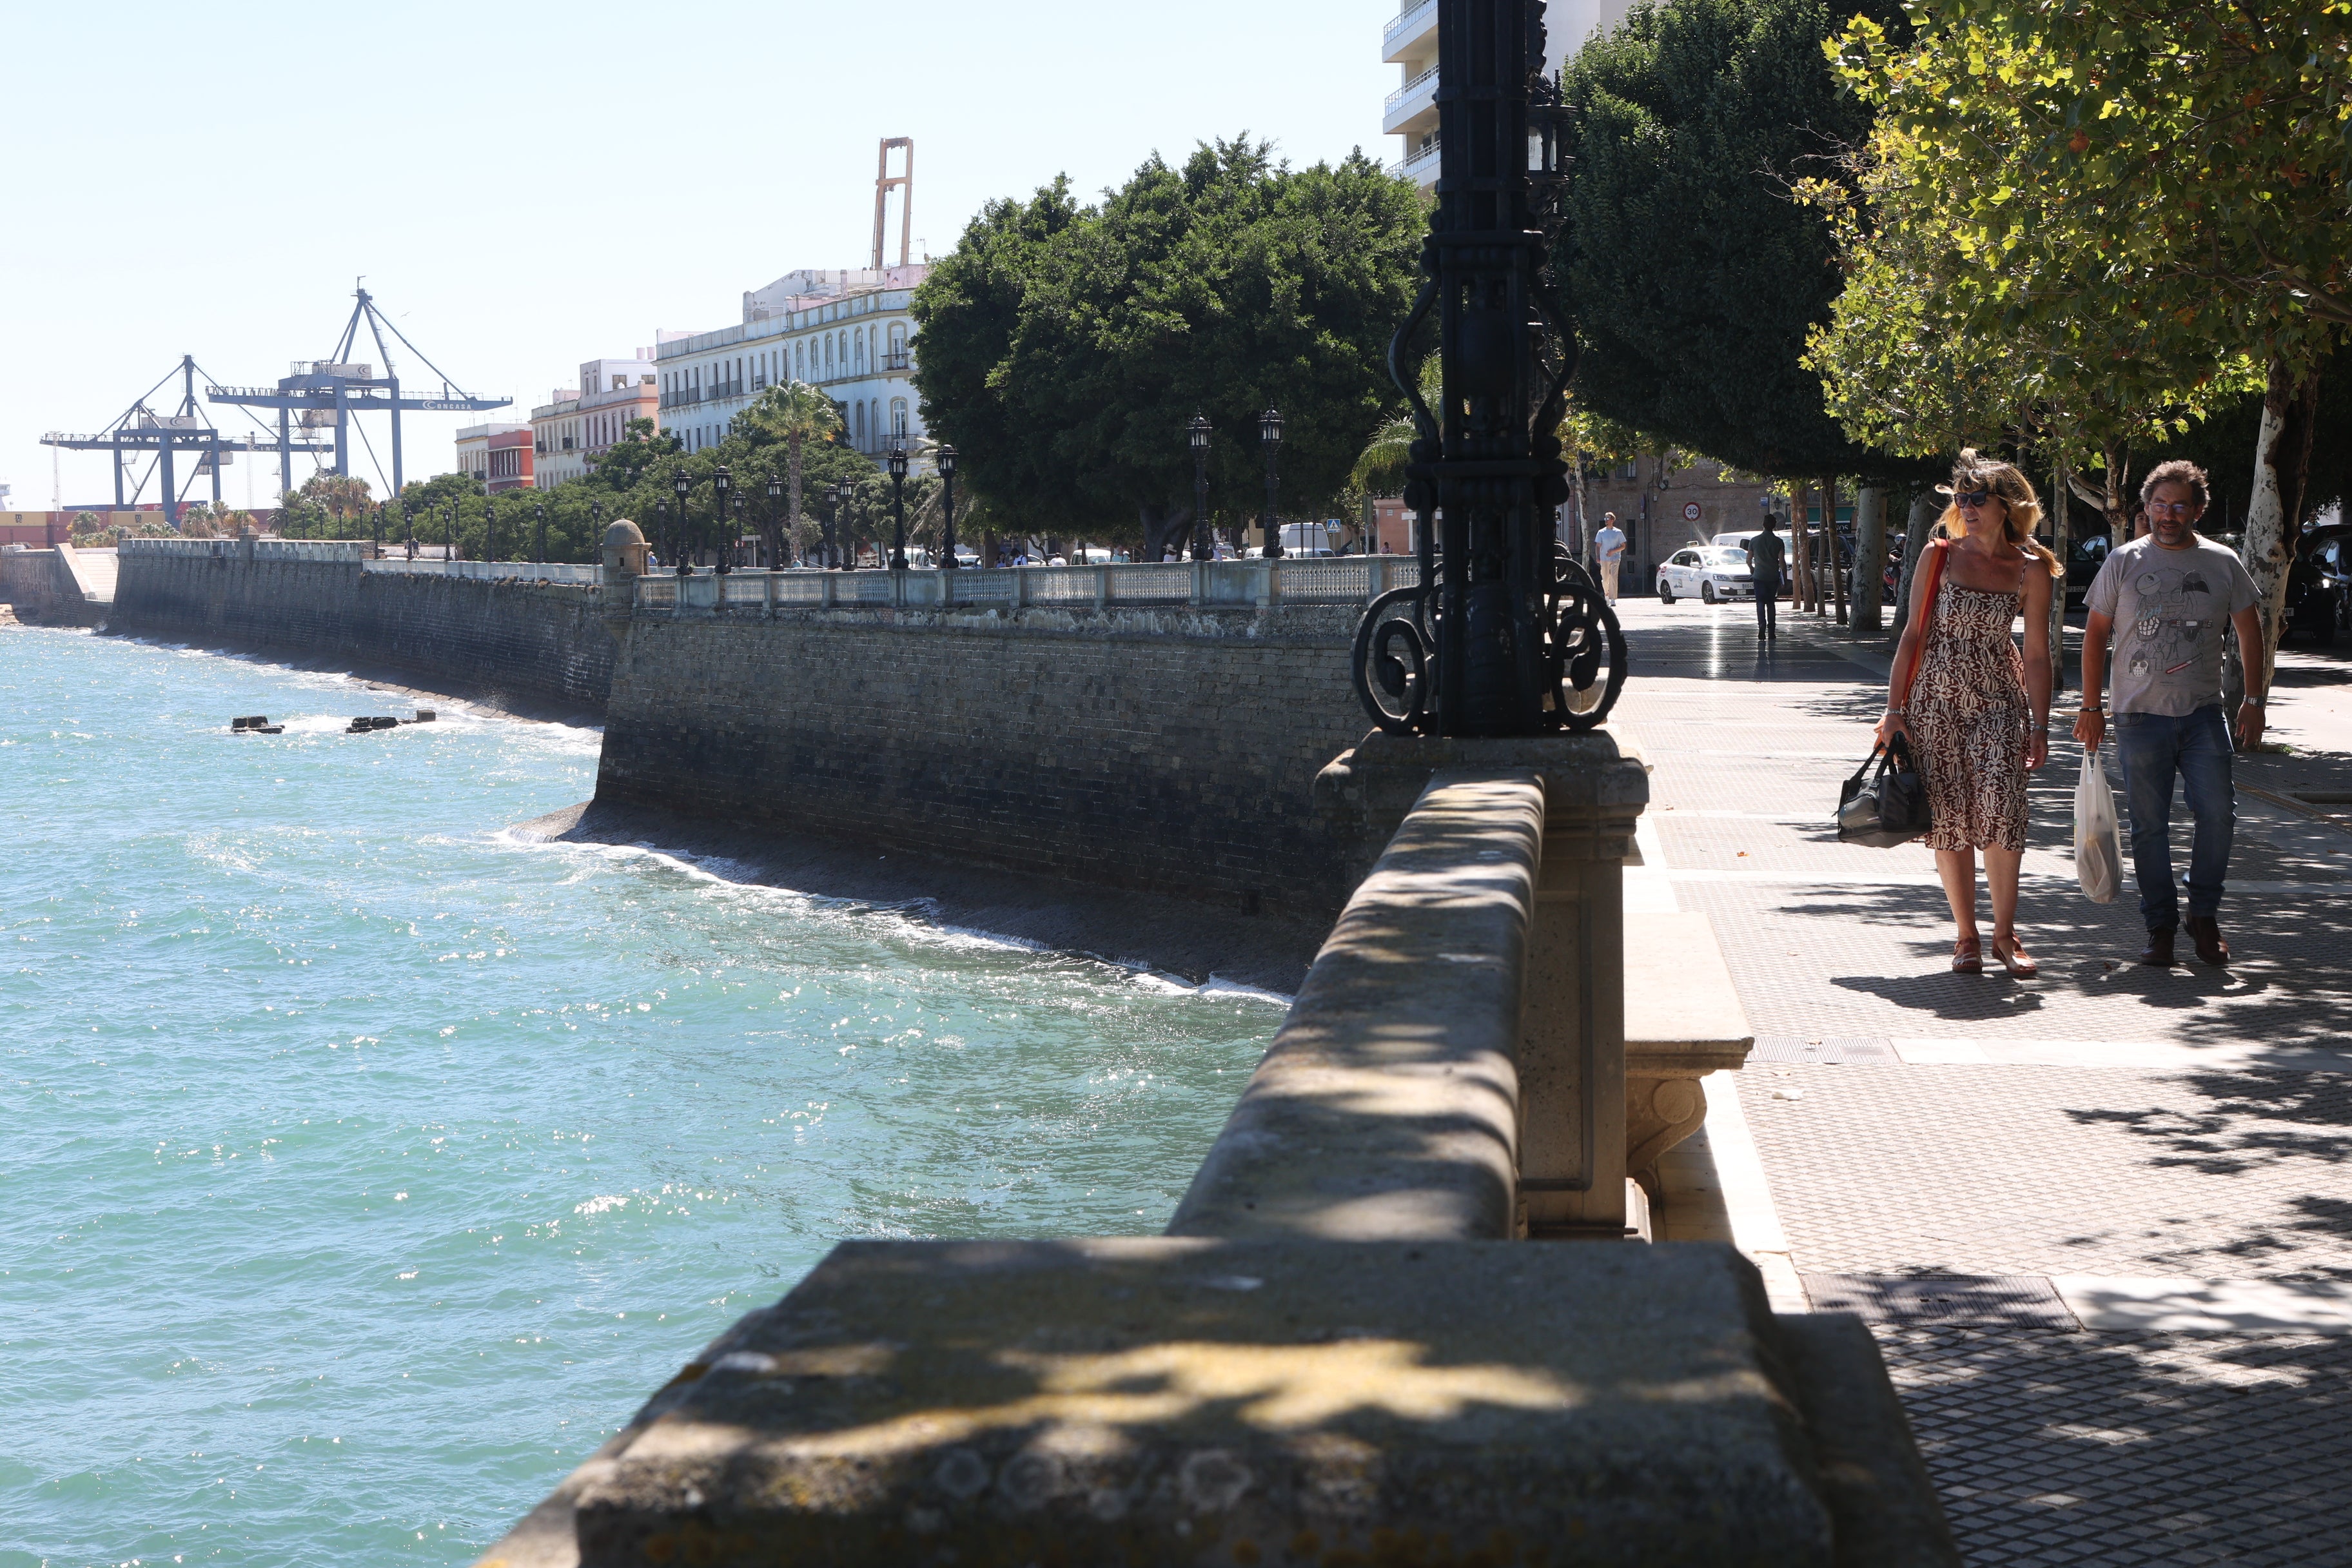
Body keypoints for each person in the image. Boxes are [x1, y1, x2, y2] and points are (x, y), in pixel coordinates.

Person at [2072, 460, 2264, 966]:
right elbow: (2094, 636)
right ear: (2147, 508)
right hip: (2139, 717)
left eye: (2180, 505)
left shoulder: (2223, 562)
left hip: (2204, 714)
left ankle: (2202, 915)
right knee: (2149, 826)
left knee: (2219, 815)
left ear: (2198, 510)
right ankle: (2160, 925)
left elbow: (2250, 630)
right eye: (2159, 504)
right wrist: (2091, 706)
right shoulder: (2124, 561)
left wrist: (2253, 699)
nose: (2168, 514)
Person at [1877, 452, 2059, 977]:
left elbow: (2039, 655)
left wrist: (2041, 723)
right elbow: (1912, 634)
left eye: (1978, 498)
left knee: (2002, 807)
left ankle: (2006, 934)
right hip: (1934, 700)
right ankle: (1966, 936)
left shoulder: (2033, 569)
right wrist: (1893, 710)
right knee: (1949, 820)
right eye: (1961, 498)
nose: (1967, 507)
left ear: (2007, 505)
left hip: (2001, 700)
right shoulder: (1939, 556)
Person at [1743, 514, 1787, 642]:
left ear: (1763, 525)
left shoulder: (1754, 541)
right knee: (1771, 603)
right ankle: (1772, 630)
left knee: (1760, 603)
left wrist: (1752, 569)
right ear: (1774, 526)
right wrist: (1783, 578)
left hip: (1759, 576)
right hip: (1773, 576)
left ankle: (1762, 623)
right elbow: (1782, 562)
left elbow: (1748, 559)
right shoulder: (1779, 542)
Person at [1594, 513, 1627, 606]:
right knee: (1605, 579)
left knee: (1613, 577)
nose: (1606, 520)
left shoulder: (1618, 532)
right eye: (1605, 518)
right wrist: (1598, 556)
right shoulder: (1601, 532)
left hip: (1615, 558)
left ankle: (1613, 598)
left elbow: (1623, 546)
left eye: (1608, 518)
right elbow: (1598, 546)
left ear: (1612, 520)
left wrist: (1613, 551)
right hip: (1604, 559)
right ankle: (1607, 595)